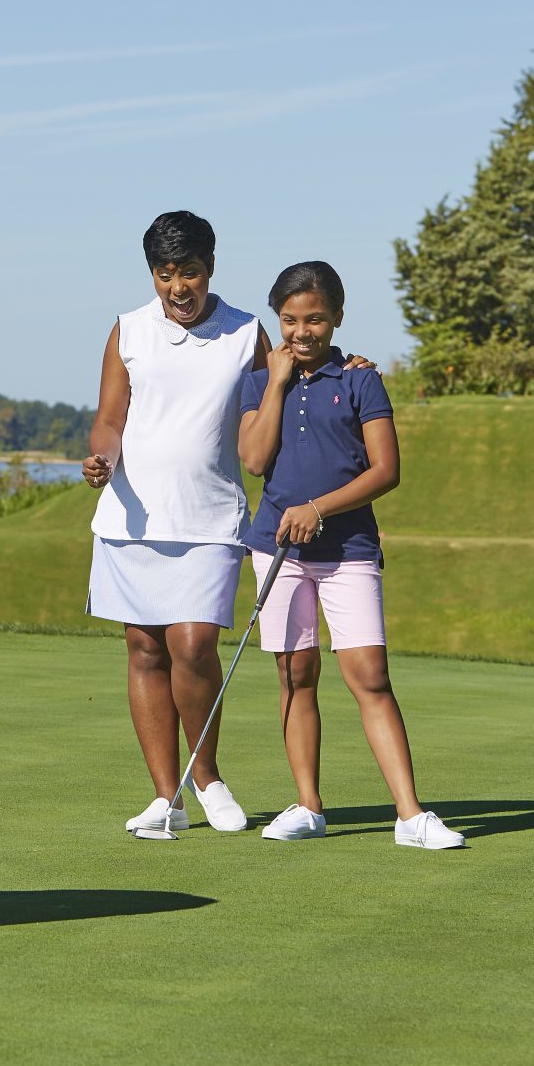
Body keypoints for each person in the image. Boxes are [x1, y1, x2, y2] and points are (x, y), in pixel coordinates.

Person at [234, 261, 463, 848]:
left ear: (336, 318)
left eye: (314, 319)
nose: (301, 331)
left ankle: (411, 816)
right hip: (277, 548)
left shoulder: (361, 380)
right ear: (276, 320)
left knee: (369, 676)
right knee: (295, 675)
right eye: (288, 320)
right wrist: (280, 381)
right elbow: (255, 461)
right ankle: (308, 808)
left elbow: (386, 470)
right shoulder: (259, 383)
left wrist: (319, 508)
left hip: (349, 548)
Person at [82, 211, 264, 837]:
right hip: (132, 518)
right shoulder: (128, 330)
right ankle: (167, 799)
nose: (177, 288)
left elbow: (283, 392)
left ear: (210, 269)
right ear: (152, 275)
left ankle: (206, 776)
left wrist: (346, 369)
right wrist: (103, 456)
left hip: (212, 517)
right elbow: (110, 417)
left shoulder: (246, 333)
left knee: (194, 645)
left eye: (188, 273)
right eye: (165, 275)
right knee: (144, 648)